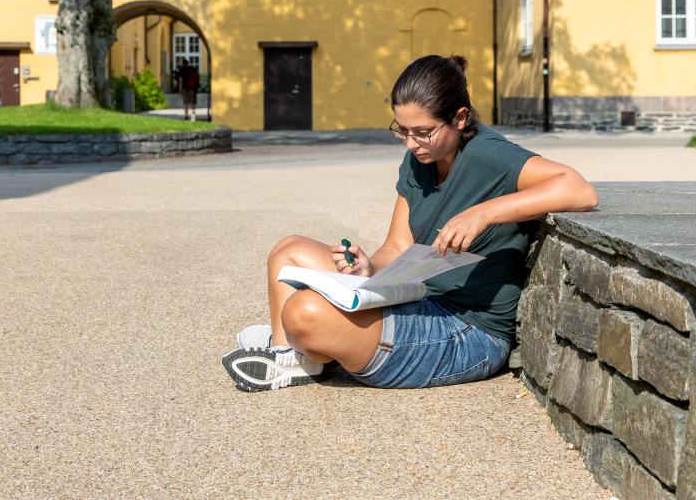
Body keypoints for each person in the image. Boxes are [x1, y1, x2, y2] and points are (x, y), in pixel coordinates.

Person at [221, 54, 599, 393]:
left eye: (423, 132)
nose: (411, 144)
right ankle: (291, 355)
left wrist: (484, 212)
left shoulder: (488, 154)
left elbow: (579, 190)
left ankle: (296, 345)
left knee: (304, 311)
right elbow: (397, 248)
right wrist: (367, 267)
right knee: (288, 253)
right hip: (417, 297)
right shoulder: (419, 160)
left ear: (460, 118)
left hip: (467, 331)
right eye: (402, 130)